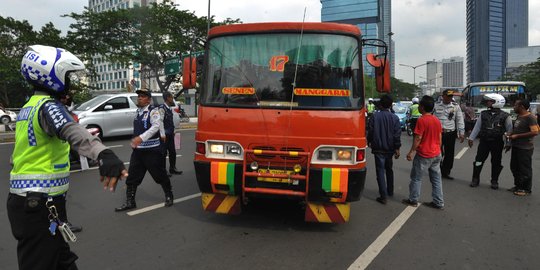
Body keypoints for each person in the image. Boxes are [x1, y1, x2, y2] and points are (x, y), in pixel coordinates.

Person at [7, 45, 127, 270]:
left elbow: (18, 157)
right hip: (38, 204)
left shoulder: (29, 107)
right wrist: (103, 153)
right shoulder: (49, 106)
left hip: (31, 203)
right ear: (52, 75)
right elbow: (71, 131)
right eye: (68, 76)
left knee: (63, 261)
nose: (71, 82)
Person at [115, 88, 174, 211]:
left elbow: (156, 126)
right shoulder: (138, 112)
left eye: (142, 96)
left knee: (160, 175)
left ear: (148, 100)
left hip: (152, 150)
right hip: (138, 151)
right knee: (132, 177)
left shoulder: (154, 111)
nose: (139, 98)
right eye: (139, 96)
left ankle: (169, 195)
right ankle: (130, 202)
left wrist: (141, 138)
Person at [402, 95, 444, 210]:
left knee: (416, 178)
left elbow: (418, 138)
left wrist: (411, 152)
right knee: (436, 179)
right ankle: (438, 202)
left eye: (420, 105)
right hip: (436, 154)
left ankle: (413, 200)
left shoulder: (422, 120)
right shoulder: (436, 120)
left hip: (424, 154)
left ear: (423, 107)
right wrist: (438, 150)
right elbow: (440, 138)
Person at [467, 94, 512, 189]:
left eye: (490, 101)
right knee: (479, 160)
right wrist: (471, 138)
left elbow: (509, 130)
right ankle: (475, 179)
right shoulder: (483, 114)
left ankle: (494, 180)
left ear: (497, 102)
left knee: (496, 162)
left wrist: (508, 143)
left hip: (497, 142)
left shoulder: (506, 116)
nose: (487, 102)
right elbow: (477, 127)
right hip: (484, 142)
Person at [367, 94, 401, 204]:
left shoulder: (374, 117)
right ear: (391, 105)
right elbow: (397, 135)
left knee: (380, 171)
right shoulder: (394, 118)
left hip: (378, 149)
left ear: (380, 104)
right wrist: (397, 148)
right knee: (389, 169)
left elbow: (370, 131)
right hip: (390, 149)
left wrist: (369, 141)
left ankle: (383, 196)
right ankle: (390, 191)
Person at [507, 99, 538, 196]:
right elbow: (517, 129)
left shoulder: (530, 117)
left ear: (522, 107)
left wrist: (517, 136)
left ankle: (526, 189)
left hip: (525, 148)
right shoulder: (519, 116)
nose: (514, 107)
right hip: (516, 146)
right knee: (514, 167)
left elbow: (535, 132)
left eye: (516, 105)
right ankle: (518, 186)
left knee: (524, 169)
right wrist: (510, 135)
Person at [433, 89, 465, 179]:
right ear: (443, 96)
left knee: (449, 154)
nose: (450, 98)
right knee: (438, 153)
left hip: (450, 133)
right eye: (448, 96)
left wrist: (461, 133)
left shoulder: (455, 107)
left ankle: (446, 172)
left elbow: (460, 120)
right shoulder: (435, 106)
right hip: (438, 133)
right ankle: (437, 170)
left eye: (451, 96)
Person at [159, 92, 183, 176]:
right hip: (165, 135)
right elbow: (160, 121)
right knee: (163, 153)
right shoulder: (162, 108)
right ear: (168, 98)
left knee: (173, 152)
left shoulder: (169, 108)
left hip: (170, 134)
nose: (172, 99)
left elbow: (170, 121)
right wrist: (162, 134)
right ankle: (163, 171)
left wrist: (174, 131)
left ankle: (172, 168)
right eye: (171, 97)